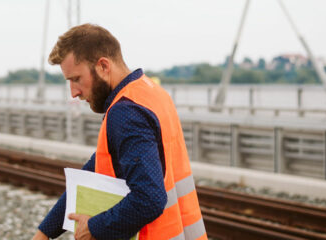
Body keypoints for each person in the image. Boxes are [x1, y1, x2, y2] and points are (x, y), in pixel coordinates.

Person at [32, 24, 207, 240]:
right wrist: (45, 232)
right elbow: (92, 172)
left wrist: (94, 228)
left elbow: (149, 199)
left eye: (76, 79)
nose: (74, 92)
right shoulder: (150, 92)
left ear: (103, 66)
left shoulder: (126, 113)